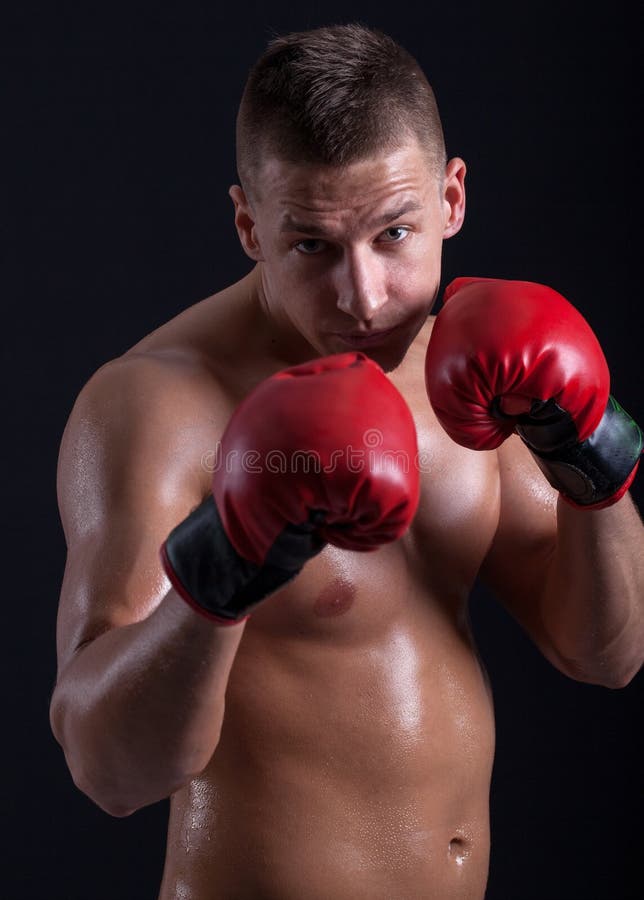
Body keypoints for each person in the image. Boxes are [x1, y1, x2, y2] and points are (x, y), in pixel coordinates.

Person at [50, 23, 644, 900]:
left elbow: (607, 652)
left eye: (394, 235)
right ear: (249, 225)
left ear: (451, 200)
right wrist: (231, 557)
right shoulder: (157, 406)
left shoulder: (480, 371)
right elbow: (109, 772)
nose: (364, 297)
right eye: (312, 246)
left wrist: (591, 451)